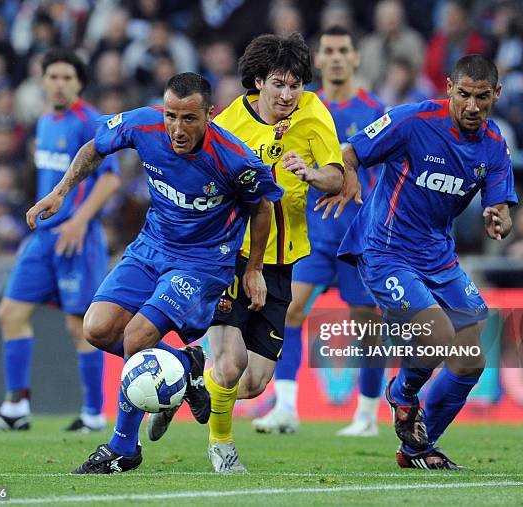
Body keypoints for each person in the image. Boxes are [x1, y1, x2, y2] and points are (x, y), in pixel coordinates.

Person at [26, 72, 284, 474]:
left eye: (188, 119)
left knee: (137, 336)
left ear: (209, 115)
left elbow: (263, 206)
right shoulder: (143, 123)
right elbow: (95, 146)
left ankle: (123, 448)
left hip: (202, 261)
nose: (177, 129)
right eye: (171, 116)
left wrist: (253, 269)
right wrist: (61, 192)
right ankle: (188, 368)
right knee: (97, 329)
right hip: (152, 247)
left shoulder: (234, 158)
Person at [147, 33, 344, 473]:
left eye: (295, 85)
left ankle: (183, 376)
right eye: (279, 84)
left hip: (282, 259)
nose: (288, 95)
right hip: (229, 255)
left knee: (253, 383)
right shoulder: (229, 125)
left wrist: (310, 173)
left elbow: (336, 178)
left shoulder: (314, 113)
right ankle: (221, 446)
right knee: (231, 364)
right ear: (258, 81)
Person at [317, 54, 517, 469]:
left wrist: (500, 217)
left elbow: (501, 204)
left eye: (482, 97)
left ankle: (417, 449)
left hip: (438, 257)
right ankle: (403, 393)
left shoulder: (495, 145)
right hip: (386, 250)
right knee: (437, 337)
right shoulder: (413, 121)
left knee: (470, 360)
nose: (472, 106)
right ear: (448, 88)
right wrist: (347, 172)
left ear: (496, 94)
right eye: (463, 94)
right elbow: (353, 149)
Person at [251, 26, 387, 437]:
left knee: (368, 323)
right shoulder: (302, 108)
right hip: (312, 233)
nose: (337, 57)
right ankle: (287, 407)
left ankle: (365, 416)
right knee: (291, 309)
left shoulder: (373, 108)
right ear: (320, 60)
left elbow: (388, 169)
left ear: (356, 57)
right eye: (329, 50)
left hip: (358, 236)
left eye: (344, 49)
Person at [0, 48, 120, 433]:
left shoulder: (90, 121)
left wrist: (80, 222)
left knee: (80, 327)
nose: (58, 84)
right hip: (43, 238)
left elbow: (110, 178)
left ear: (79, 83)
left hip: (77, 237)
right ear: (43, 81)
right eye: (52, 76)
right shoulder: (43, 122)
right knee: (10, 313)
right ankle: (16, 407)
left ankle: (92, 414)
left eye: (66, 78)